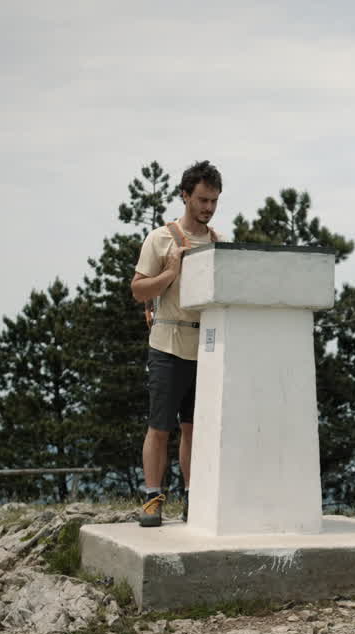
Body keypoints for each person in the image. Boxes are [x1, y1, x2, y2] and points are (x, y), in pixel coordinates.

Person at [130, 160, 223, 526]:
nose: (208, 208)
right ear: (185, 195)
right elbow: (138, 290)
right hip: (168, 346)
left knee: (195, 428)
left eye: (214, 201)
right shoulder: (160, 239)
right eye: (202, 199)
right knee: (160, 426)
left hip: (206, 349)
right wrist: (170, 272)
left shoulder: (218, 242)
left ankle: (192, 497)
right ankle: (153, 498)